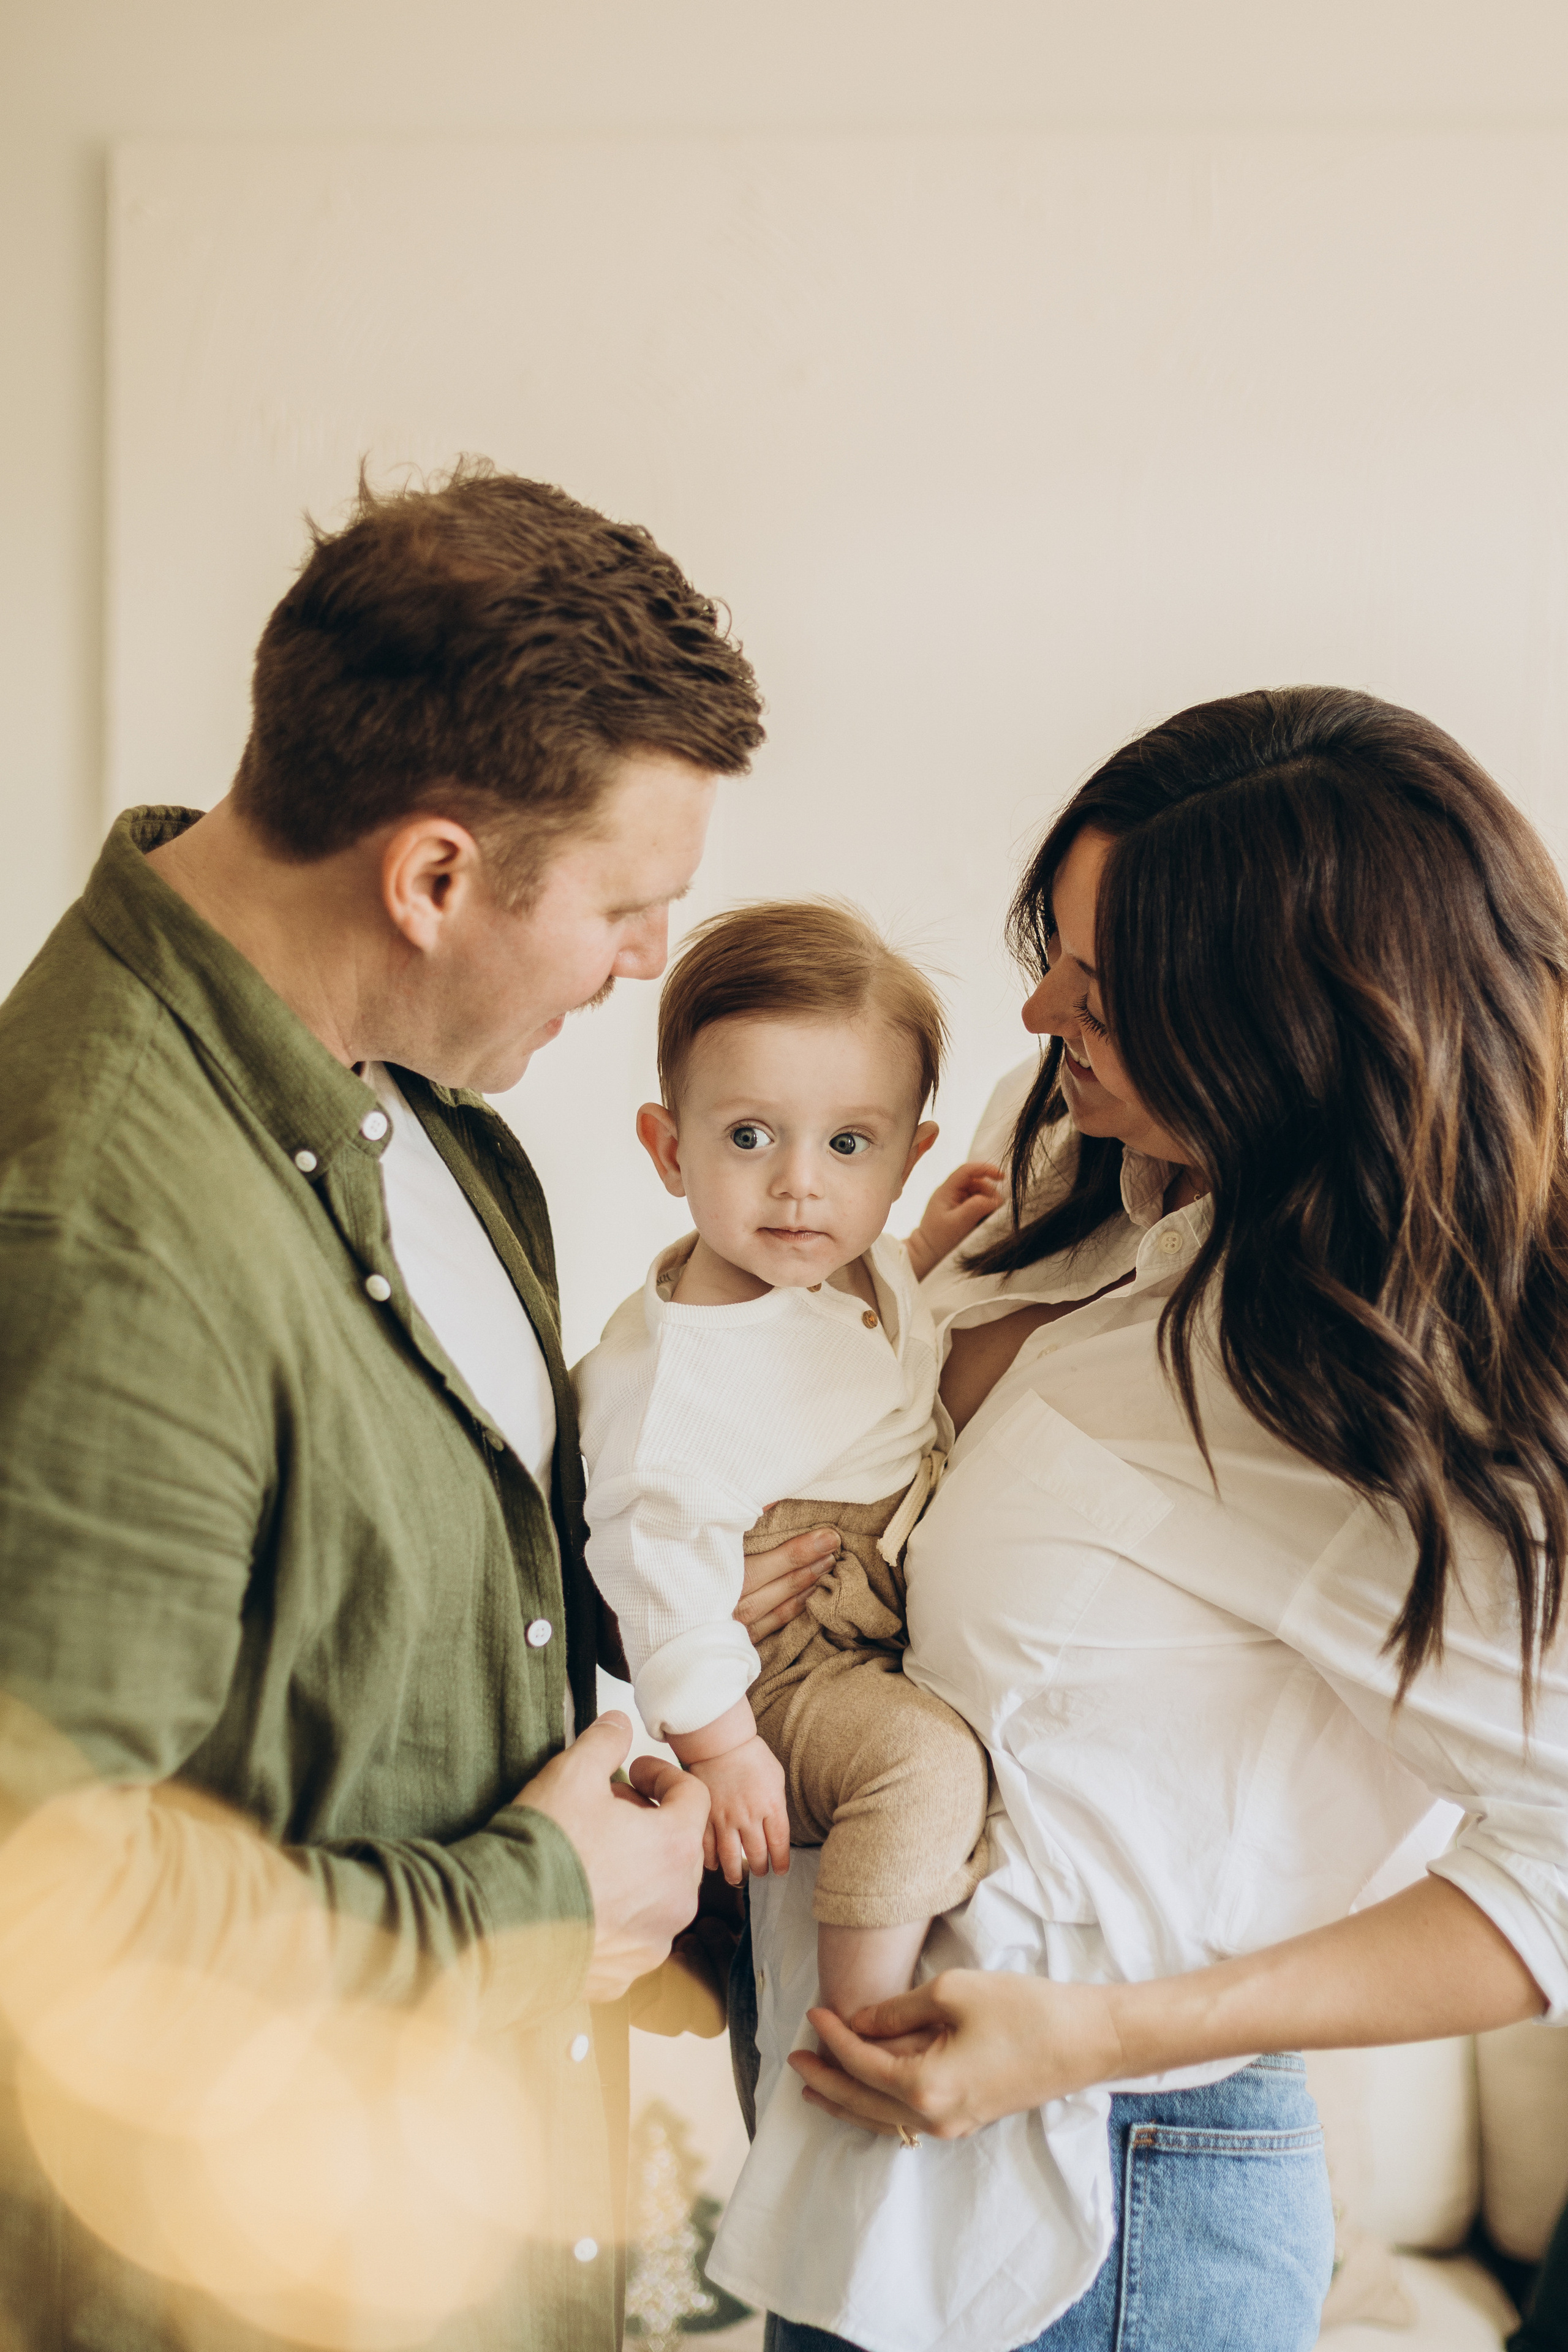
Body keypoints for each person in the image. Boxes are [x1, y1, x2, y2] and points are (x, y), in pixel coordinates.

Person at [0, 462, 836, 2352]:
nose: (649, 961)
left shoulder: (435, 1126)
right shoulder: (99, 1223)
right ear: (435, 876)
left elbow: (402, 1653)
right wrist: (537, 1904)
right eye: (628, 906)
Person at [709, 687, 1568, 2352]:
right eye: (1058, 955)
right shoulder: (1066, 1162)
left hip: (1107, 2189)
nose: (1041, 1010)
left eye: (1101, 995)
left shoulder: (1371, 1396)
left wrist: (1105, 2037)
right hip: (862, 2145)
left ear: (1278, 1033)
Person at [574, 902, 1002, 2024]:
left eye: (849, 1145)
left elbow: (845, 1347)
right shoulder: (682, 1379)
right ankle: (858, 2032)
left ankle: (731, 1928)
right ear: (670, 1150)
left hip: (868, 1610)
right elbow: (658, 1571)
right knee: (925, 1771)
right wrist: (724, 1753)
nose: (801, 1183)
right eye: (751, 1138)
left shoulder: (844, 1260)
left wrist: (923, 1247)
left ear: (907, 1158)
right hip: (783, 1669)